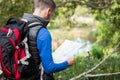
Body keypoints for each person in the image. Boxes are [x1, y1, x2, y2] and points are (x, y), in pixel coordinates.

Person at [23, 0, 74, 79]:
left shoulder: (21, 25)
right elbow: (49, 68)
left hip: (20, 74)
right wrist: (67, 63)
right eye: (52, 14)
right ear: (48, 11)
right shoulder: (43, 33)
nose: (51, 17)